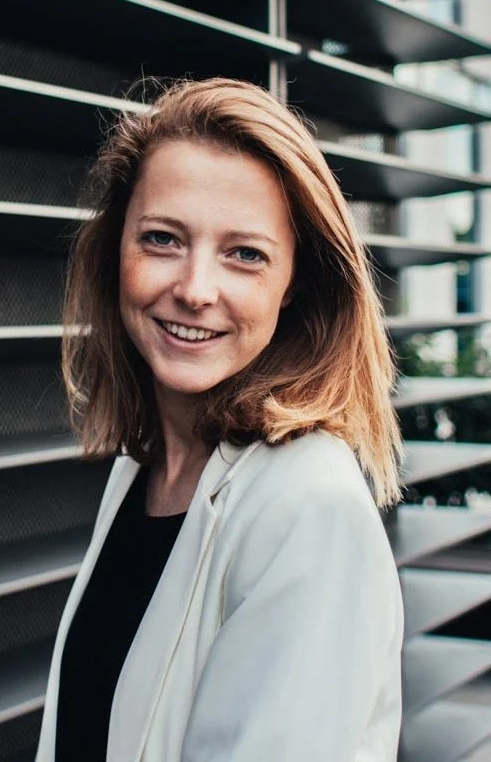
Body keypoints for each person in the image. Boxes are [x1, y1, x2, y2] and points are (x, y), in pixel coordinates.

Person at [36, 78, 404, 762]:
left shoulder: (308, 507)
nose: (195, 290)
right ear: (118, 250)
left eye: (245, 254)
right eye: (162, 239)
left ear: (294, 285)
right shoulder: (141, 469)